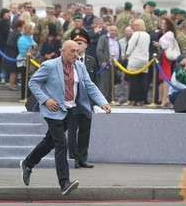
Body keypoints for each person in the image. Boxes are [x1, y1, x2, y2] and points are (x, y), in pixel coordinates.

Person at [19, 40, 111, 196]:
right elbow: (33, 82)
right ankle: (64, 183)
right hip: (53, 110)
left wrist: (103, 102)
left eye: (77, 51)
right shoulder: (50, 66)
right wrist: (46, 99)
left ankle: (28, 163)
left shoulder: (80, 66)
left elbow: (90, 86)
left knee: (49, 142)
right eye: (72, 51)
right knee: (62, 144)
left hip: (70, 110)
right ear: (63, 50)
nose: (76, 54)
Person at [67, 28, 98, 169]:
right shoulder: (68, 60)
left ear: (86, 45)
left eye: (81, 43)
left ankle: (82, 158)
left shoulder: (91, 61)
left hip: (86, 102)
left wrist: (95, 102)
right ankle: (73, 158)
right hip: (72, 101)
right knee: (72, 130)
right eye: (75, 42)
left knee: (85, 131)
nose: (78, 46)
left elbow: (94, 82)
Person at [123, 19, 150, 106]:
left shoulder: (136, 34)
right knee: (142, 81)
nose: (133, 27)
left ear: (138, 26)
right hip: (145, 60)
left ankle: (132, 99)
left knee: (133, 81)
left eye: (134, 25)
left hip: (135, 60)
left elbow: (131, 46)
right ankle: (142, 99)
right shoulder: (147, 35)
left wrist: (126, 55)